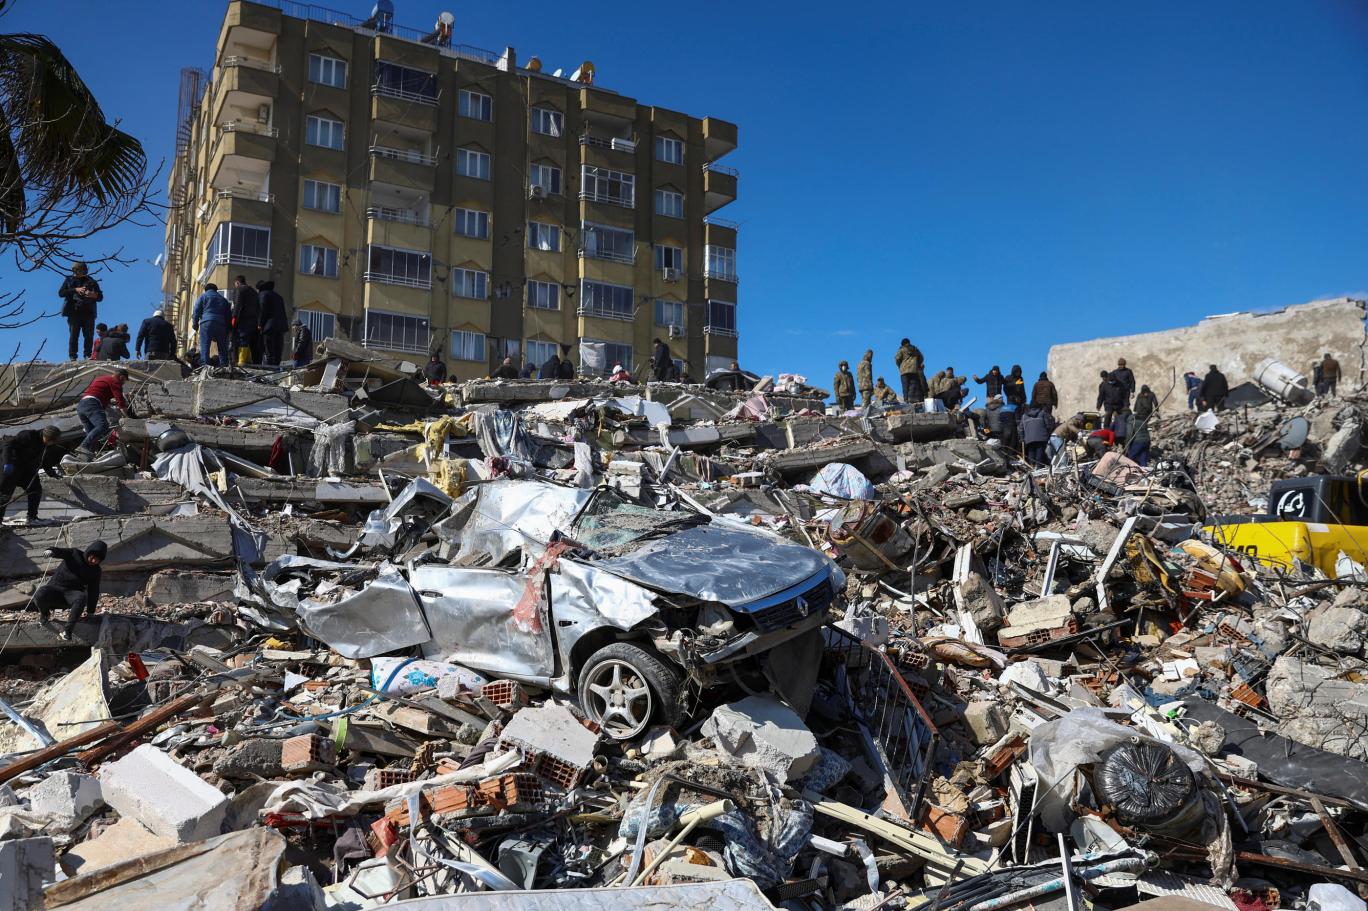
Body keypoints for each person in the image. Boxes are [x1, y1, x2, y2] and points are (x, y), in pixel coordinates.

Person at [31, 540, 107, 640]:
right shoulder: (74, 554)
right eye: (92, 557)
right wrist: (51, 551)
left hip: (70, 596)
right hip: (54, 590)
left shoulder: (96, 571)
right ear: (89, 552)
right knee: (40, 594)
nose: (93, 561)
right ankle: (45, 614)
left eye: (97, 560)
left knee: (81, 597)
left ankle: (67, 631)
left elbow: (94, 590)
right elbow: (60, 552)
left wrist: (90, 611)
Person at [0, 426, 61, 526]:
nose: (51, 443)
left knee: (35, 489)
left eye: (53, 441)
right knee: (4, 494)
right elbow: (8, 444)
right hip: (12, 467)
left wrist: (51, 472)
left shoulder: (45, 444)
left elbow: (44, 459)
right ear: (45, 435)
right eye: (49, 440)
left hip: (26, 470)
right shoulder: (28, 436)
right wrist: (8, 462)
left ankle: (32, 517)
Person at [75, 368, 134, 457]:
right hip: (92, 403)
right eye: (124, 381)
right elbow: (120, 400)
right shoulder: (115, 381)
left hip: (81, 405)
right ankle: (83, 446)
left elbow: (105, 403)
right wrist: (126, 416)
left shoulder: (102, 379)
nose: (124, 383)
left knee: (92, 434)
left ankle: (86, 457)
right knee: (103, 425)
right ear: (121, 377)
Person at [58, 262, 103, 360]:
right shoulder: (69, 280)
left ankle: (87, 355)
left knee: (88, 336)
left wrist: (93, 295)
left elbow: (100, 297)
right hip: (74, 312)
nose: (79, 272)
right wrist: (75, 290)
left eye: (82, 270)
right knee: (74, 336)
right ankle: (73, 356)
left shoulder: (91, 281)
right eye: (77, 270)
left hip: (89, 313)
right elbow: (61, 293)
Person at [192, 283, 232, 367]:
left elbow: (196, 310)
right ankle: (223, 365)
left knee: (205, 345)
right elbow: (228, 315)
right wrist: (228, 329)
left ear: (206, 290)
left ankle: (205, 365)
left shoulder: (203, 296)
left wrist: (195, 324)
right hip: (221, 324)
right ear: (216, 290)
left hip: (207, 322)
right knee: (222, 347)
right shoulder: (223, 299)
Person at [230, 276, 261, 364]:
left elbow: (238, 304)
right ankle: (248, 359)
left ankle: (241, 360)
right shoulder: (254, 292)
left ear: (237, 283)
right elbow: (258, 307)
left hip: (243, 319)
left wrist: (234, 316)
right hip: (253, 320)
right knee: (248, 339)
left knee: (241, 338)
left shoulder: (239, 289)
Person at [257, 281, 288, 366]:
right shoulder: (279, 297)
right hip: (281, 327)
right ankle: (276, 368)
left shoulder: (263, 294)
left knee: (269, 349)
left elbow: (262, 310)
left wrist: (260, 323)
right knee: (278, 349)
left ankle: (269, 369)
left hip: (269, 327)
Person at [894, 339, 925, 403]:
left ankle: (906, 400)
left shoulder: (901, 350)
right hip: (914, 370)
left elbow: (897, 359)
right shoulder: (915, 349)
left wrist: (900, 366)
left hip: (904, 371)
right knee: (913, 385)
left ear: (902, 344)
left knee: (905, 386)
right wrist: (917, 364)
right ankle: (911, 399)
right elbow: (921, 358)